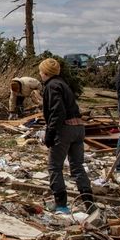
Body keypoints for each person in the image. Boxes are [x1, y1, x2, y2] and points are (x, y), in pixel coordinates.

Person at [39, 58, 94, 214]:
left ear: (45, 72)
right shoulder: (63, 84)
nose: (40, 74)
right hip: (78, 128)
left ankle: (61, 204)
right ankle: (89, 203)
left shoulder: (52, 86)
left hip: (65, 129)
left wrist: (50, 133)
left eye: (41, 71)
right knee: (77, 166)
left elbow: (57, 111)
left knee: (54, 166)